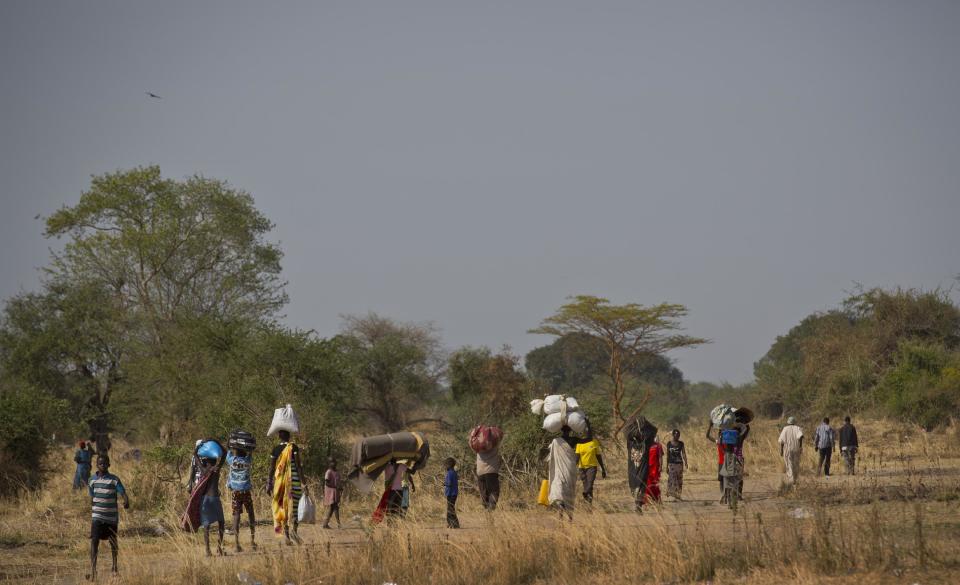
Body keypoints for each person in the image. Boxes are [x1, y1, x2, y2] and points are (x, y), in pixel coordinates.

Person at [87, 456, 128, 580]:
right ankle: (93, 570)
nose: (103, 465)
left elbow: (122, 491)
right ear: (96, 465)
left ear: (109, 465)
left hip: (111, 517)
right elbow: (92, 496)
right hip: (97, 516)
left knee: (113, 541)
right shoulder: (91, 480)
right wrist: (94, 508)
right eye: (100, 463)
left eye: (105, 463)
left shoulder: (114, 480)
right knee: (94, 541)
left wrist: (126, 500)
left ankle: (114, 567)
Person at [268, 430, 305, 545]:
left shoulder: (275, 449)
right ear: (289, 436)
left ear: (279, 436)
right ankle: (294, 531)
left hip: (279, 484)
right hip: (293, 482)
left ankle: (287, 536)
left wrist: (269, 482)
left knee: (283, 508)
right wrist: (304, 483)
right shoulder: (293, 447)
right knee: (295, 508)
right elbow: (298, 466)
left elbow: (272, 468)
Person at [226, 446, 256, 552]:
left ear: (236, 452)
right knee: (251, 514)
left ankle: (237, 544)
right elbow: (251, 452)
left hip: (236, 492)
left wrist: (230, 446)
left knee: (236, 515)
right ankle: (252, 541)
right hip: (246, 491)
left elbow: (227, 454)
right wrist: (249, 448)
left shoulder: (232, 460)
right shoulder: (247, 461)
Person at [198, 451, 226, 556]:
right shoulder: (216, 470)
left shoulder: (203, 470)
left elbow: (195, 455)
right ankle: (219, 548)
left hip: (205, 500)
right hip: (214, 499)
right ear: (215, 461)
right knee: (221, 523)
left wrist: (198, 449)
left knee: (206, 526)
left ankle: (207, 550)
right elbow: (224, 454)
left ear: (205, 461)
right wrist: (217, 443)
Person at [574, 433, 607, 504]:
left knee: (590, 484)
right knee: (587, 486)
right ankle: (588, 504)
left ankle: (586, 494)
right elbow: (577, 457)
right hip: (582, 468)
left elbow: (598, 456)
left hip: (592, 467)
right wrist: (573, 468)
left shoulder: (594, 442)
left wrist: (603, 469)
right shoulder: (579, 444)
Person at [476, 442, 502, 511]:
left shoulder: (478, 447)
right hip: (491, 471)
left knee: (483, 490)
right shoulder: (494, 446)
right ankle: (491, 507)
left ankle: (485, 506)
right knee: (493, 490)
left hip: (480, 471)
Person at [778, 416, 804, 486]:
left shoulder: (785, 429)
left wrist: (781, 450)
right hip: (796, 449)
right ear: (794, 422)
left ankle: (791, 481)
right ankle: (795, 480)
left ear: (788, 422)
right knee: (796, 464)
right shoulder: (798, 428)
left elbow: (781, 441)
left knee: (789, 464)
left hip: (788, 450)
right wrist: (800, 446)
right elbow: (801, 436)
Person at [666, 429, 688, 499]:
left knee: (679, 479)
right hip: (671, 463)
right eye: (676, 435)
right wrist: (666, 466)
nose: (677, 437)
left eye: (678, 435)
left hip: (679, 464)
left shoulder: (681, 443)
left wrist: (686, 462)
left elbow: (683, 453)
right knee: (672, 478)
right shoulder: (669, 444)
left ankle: (678, 495)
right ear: (673, 435)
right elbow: (668, 455)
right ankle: (673, 493)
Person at [321, 458, 342, 529]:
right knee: (335, 507)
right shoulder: (329, 472)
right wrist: (335, 486)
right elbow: (327, 483)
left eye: (334, 462)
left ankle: (325, 524)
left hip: (335, 492)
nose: (334, 464)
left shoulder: (337, 472)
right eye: (332, 462)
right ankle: (339, 523)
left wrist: (340, 487)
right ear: (329, 463)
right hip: (330, 492)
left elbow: (338, 482)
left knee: (332, 508)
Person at [645, 437, 664, 504]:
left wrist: (661, 466)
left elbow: (660, 456)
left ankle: (657, 499)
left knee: (655, 483)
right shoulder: (645, 445)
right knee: (648, 484)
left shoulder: (658, 446)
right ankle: (648, 500)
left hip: (655, 468)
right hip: (647, 468)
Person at [443, 457, 460, 528]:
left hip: (450, 493)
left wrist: (444, 484)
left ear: (448, 465)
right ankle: (452, 524)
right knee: (451, 508)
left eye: (446, 465)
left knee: (450, 509)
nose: (445, 466)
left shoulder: (449, 473)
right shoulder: (454, 472)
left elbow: (449, 483)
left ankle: (453, 524)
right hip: (454, 493)